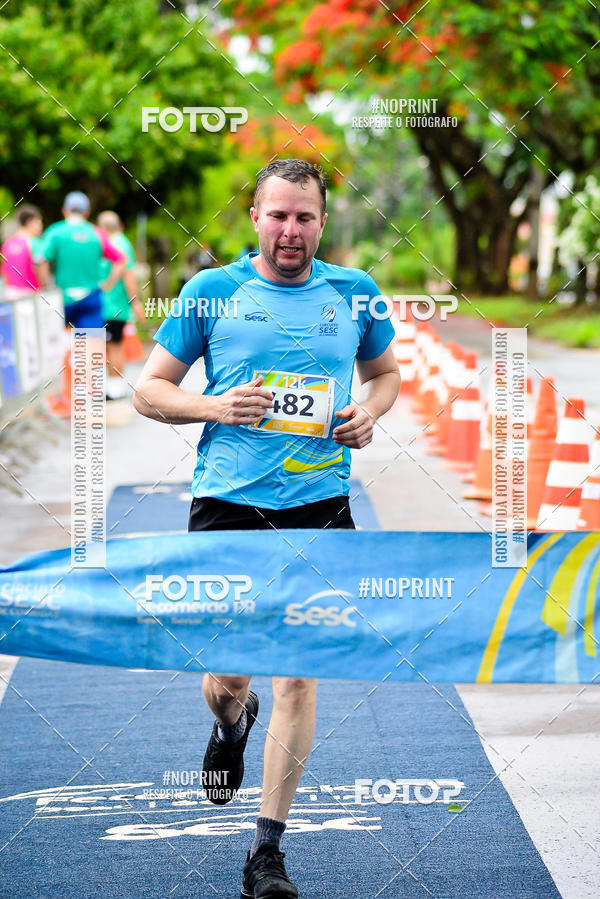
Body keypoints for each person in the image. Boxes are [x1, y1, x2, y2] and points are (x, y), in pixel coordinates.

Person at [133, 159, 400, 897]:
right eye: (278, 215)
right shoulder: (210, 292)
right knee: (229, 675)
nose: (291, 230)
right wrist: (218, 407)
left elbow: (385, 374)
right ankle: (229, 722)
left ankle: (266, 853)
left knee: (299, 674)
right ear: (254, 215)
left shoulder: (356, 293)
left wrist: (371, 412)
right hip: (228, 505)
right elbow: (148, 391)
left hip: (322, 505)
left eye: (305, 217)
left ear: (323, 220)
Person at [37, 191, 125, 328]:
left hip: (62, 298)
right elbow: (120, 260)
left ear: (65, 210)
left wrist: (46, 287)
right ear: (86, 212)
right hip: (91, 296)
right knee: (90, 345)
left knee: (58, 345)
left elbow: (40, 260)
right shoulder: (96, 233)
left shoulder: (55, 232)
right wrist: (107, 285)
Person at [96, 210, 144, 400]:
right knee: (111, 345)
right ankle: (112, 387)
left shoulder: (115, 244)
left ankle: (114, 388)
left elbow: (128, 275)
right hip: (114, 306)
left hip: (111, 306)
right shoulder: (120, 243)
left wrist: (135, 302)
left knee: (113, 346)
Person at [1, 205, 43, 298]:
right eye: (39, 222)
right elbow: (41, 268)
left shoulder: (7, 244)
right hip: (32, 295)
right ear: (30, 222)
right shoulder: (35, 243)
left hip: (11, 294)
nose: (41, 226)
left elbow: (5, 272)